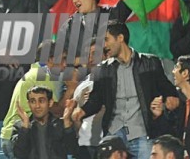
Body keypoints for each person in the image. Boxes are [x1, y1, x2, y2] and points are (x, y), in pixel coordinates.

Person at [72, 21, 179, 157]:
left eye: (106, 39)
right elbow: (95, 99)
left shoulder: (150, 63)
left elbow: (167, 89)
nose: (103, 46)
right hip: (114, 135)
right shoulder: (102, 70)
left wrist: (168, 100)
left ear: (120, 38)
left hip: (142, 132)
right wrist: (81, 111)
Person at [0, 42, 63, 159]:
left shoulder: (33, 73)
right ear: (51, 59)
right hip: (20, 136)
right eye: (62, 59)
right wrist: (71, 89)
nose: (64, 64)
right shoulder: (42, 76)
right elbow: (56, 110)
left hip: (12, 134)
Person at [154, 56, 190, 158]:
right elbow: (171, 135)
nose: (173, 72)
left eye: (176, 67)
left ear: (185, 73)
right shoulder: (180, 103)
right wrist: (159, 115)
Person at [11, 85, 79, 159]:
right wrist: (25, 127)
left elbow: (71, 150)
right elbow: (19, 154)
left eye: (41, 101)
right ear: (29, 104)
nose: (37, 106)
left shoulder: (61, 124)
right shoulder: (20, 126)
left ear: (50, 102)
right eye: (33, 101)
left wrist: (66, 121)